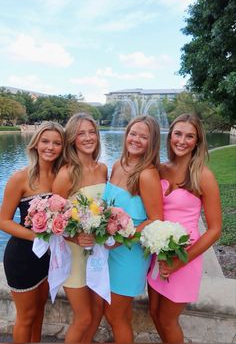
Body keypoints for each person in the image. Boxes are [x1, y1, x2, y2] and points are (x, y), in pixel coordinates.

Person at [147, 113, 222, 343]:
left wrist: (181, 260)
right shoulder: (158, 169)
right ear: (170, 136)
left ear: (197, 141)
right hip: (158, 254)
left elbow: (215, 229)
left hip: (184, 257)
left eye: (190, 136)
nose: (182, 140)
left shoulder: (202, 175)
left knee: (169, 321)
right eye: (178, 134)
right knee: (155, 314)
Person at [0, 121, 65, 343]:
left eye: (57, 143)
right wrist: (38, 237)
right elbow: (3, 221)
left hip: (48, 258)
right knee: (25, 317)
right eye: (45, 141)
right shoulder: (21, 177)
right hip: (23, 257)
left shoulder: (62, 176)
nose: (50, 147)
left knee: (39, 312)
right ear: (36, 144)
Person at [102, 115, 163, 343]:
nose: (136, 139)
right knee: (121, 315)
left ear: (152, 142)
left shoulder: (146, 174)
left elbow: (156, 219)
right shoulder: (118, 165)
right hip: (109, 250)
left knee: (114, 314)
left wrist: (124, 238)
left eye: (143, 136)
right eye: (133, 133)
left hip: (129, 253)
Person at [52, 113, 107, 343]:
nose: (87, 137)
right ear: (72, 139)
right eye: (81, 133)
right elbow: (53, 223)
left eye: (91, 132)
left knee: (97, 314)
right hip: (74, 257)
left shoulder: (103, 169)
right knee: (83, 318)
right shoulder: (66, 174)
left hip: (98, 254)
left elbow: (105, 209)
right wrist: (76, 239)